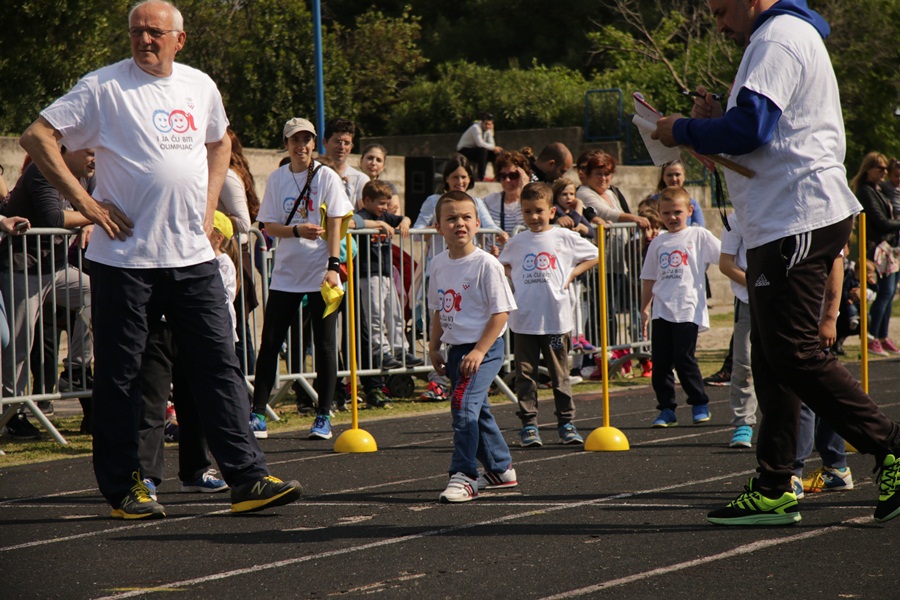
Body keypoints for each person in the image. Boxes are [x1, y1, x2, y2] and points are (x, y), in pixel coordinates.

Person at [19, 0, 300, 519]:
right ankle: (127, 488)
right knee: (123, 378)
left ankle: (247, 478)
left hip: (192, 258)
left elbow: (220, 142)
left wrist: (210, 200)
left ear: (179, 39)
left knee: (219, 366)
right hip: (125, 261)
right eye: (136, 32)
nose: (145, 40)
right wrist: (87, 204)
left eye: (155, 33)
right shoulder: (102, 86)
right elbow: (37, 138)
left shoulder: (200, 85)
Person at [653, 0, 900, 525]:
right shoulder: (776, 37)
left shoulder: (777, 36)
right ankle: (773, 483)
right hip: (780, 218)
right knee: (769, 354)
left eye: (721, 9)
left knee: (792, 352)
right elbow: (760, 136)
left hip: (797, 215)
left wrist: (684, 129)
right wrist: (708, 125)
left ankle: (890, 444)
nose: (718, 23)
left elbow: (753, 129)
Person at [251, 117, 353, 441]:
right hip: (285, 274)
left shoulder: (327, 177)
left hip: (321, 271)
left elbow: (335, 223)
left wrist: (334, 266)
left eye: (307, 139)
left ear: (314, 144)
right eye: (296, 140)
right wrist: (297, 230)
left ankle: (323, 415)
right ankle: (257, 414)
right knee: (269, 343)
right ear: (287, 144)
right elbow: (269, 227)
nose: (302, 146)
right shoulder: (278, 178)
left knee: (324, 345)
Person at [428, 190, 517, 502]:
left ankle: (464, 474)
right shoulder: (438, 265)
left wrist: (480, 351)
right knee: (477, 412)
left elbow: (501, 312)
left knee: (463, 408)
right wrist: (434, 346)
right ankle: (499, 468)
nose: (459, 223)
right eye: (451, 218)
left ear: (478, 223)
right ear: (438, 226)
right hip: (455, 350)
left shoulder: (486, 264)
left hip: (483, 348)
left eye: (466, 217)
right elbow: (440, 308)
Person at [0, 147, 95, 439]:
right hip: (20, 268)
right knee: (17, 347)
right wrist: (94, 215)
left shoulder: (83, 176)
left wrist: (91, 217)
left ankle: (76, 370)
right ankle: (9, 413)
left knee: (94, 292)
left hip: (53, 269)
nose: (95, 159)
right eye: (90, 152)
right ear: (68, 150)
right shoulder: (43, 170)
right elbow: (53, 218)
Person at [498, 182, 598, 447]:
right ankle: (529, 424)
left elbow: (595, 254)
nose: (533, 217)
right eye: (528, 211)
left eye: (539, 211)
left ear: (551, 211)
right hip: (524, 324)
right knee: (526, 374)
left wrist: (573, 274)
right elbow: (502, 265)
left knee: (558, 372)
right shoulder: (517, 242)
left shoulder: (563, 238)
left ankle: (566, 422)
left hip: (556, 324)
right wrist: (513, 276)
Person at [639, 187, 720, 428]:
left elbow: (724, 256)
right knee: (661, 363)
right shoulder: (658, 242)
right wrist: (644, 307)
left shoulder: (698, 235)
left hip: (687, 308)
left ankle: (699, 402)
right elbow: (649, 277)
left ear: (689, 211)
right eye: (666, 213)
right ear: (659, 214)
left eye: (677, 212)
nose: (672, 218)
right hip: (662, 311)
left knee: (684, 358)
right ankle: (666, 409)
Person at [791, 254, 853, 499]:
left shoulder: (819, 222)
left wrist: (828, 319)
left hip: (809, 325)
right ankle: (836, 467)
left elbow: (836, 261)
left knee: (802, 395)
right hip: (792, 321)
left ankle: (792, 473)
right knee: (821, 393)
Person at [355, 180, 421, 369]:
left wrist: (405, 222)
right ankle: (381, 351)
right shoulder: (364, 215)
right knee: (375, 315)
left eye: (386, 203)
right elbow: (352, 222)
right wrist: (376, 224)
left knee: (395, 313)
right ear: (367, 200)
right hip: (369, 274)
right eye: (381, 203)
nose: (385, 208)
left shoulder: (384, 215)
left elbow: (404, 218)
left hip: (386, 273)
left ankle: (401, 349)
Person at [850, 152, 900, 356]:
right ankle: (871, 336)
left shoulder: (879, 190)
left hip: (889, 247)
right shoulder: (865, 191)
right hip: (877, 248)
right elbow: (880, 221)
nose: (884, 172)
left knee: (890, 293)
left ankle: (882, 335)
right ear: (869, 168)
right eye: (880, 168)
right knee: (883, 292)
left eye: (885, 169)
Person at [718, 212, 758, 448]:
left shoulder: (784, 210)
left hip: (784, 299)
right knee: (744, 362)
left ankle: (796, 422)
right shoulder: (736, 218)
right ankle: (743, 421)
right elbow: (726, 263)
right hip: (748, 299)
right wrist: (758, 287)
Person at [552, 178, 595, 354]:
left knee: (577, 301)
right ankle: (570, 333)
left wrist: (583, 229)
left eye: (572, 194)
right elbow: (574, 221)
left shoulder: (571, 211)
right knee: (568, 300)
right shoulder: (557, 213)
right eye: (564, 194)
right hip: (563, 266)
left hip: (577, 267)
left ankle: (579, 334)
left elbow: (590, 231)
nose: (569, 198)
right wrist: (578, 207)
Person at [482, 151, 531, 236]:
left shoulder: (530, 202)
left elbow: (528, 224)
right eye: (503, 176)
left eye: (513, 175)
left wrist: (525, 188)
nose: (507, 180)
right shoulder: (489, 201)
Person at [323, 118, 368, 206]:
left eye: (346, 143)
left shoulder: (360, 179)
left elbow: (364, 215)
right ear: (325, 142)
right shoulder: (312, 174)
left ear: (351, 147)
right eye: (337, 141)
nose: (342, 147)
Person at [653, 160, 705, 227]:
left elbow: (700, 229)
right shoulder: (652, 201)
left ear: (684, 176)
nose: (674, 179)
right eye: (669, 175)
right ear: (663, 177)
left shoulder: (692, 203)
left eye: (677, 174)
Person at [456, 112, 502, 181]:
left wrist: (494, 148)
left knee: (495, 153)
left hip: (476, 150)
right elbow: (480, 143)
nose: (488, 126)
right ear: (482, 122)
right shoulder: (475, 128)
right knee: (483, 151)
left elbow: (492, 144)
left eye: (490, 124)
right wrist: (493, 148)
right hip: (464, 150)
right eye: (486, 124)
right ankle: (481, 177)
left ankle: (498, 176)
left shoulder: (488, 130)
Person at [358, 143, 400, 208]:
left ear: (383, 166)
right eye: (370, 158)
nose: (373, 163)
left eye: (378, 160)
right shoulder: (352, 183)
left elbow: (395, 212)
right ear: (361, 161)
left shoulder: (388, 186)